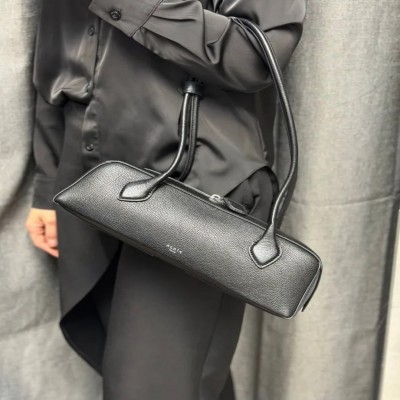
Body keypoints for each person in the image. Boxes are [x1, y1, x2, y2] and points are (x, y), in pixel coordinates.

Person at [25, 0, 306, 399]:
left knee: (148, 384)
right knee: (157, 371)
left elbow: (256, 58)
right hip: (85, 172)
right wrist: (48, 178)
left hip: (195, 185)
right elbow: (57, 55)